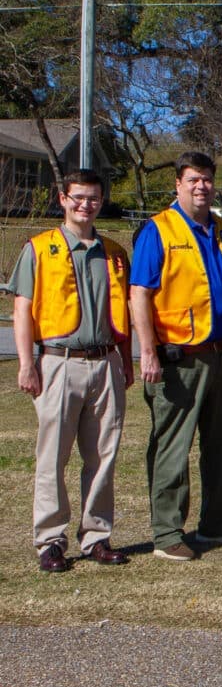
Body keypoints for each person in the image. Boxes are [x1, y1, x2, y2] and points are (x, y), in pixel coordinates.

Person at [130, 151, 222, 561]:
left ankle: (216, 522)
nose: (201, 186)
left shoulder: (219, 228)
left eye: (206, 180)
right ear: (178, 185)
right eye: (192, 180)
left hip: (220, 353)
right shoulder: (158, 230)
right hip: (179, 357)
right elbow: (140, 294)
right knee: (173, 444)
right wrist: (147, 350)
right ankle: (167, 532)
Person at [10, 170, 135, 572]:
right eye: (78, 197)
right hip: (58, 363)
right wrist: (27, 364)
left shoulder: (114, 252)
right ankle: (49, 540)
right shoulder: (39, 249)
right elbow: (21, 311)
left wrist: (126, 361)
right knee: (53, 457)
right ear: (63, 199)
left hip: (106, 363)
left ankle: (96, 537)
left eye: (93, 198)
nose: (86, 204)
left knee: (103, 456)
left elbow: (126, 313)